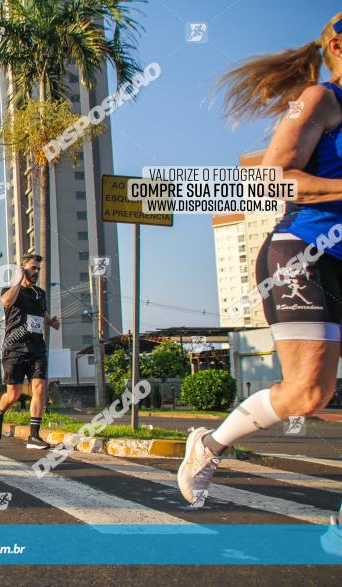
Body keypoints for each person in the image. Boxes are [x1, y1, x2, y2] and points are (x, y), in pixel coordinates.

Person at [177, 13, 342, 505]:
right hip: (305, 254)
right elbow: (271, 176)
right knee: (309, 393)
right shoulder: (321, 100)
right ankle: (208, 445)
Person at [0, 254, 60, 450]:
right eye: (32, 268)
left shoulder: (40, 293)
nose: (36, 272)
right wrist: (18, 281)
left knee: (39, 388)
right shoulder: (11, 290)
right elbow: (6, 302)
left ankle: (34, 436)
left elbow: (40, 313)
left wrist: (50, 321)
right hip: (14, 347)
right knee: (14, 394)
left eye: (38, 268)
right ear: (22, 269)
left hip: (37, 347)